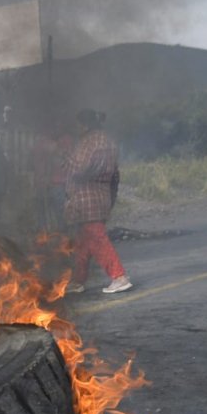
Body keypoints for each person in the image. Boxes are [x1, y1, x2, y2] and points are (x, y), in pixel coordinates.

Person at [64, 109, 132, 295]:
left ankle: (119, 277)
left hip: (86, 198)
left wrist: (65, 158)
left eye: (78, 125)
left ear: (84, 125)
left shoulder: (89, 142)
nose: (77, 128)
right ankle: (78, 281)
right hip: (101, 196)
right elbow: (115, 175)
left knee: (97, 237)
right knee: (82, 242)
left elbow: (77, 168)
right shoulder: (108, 141)